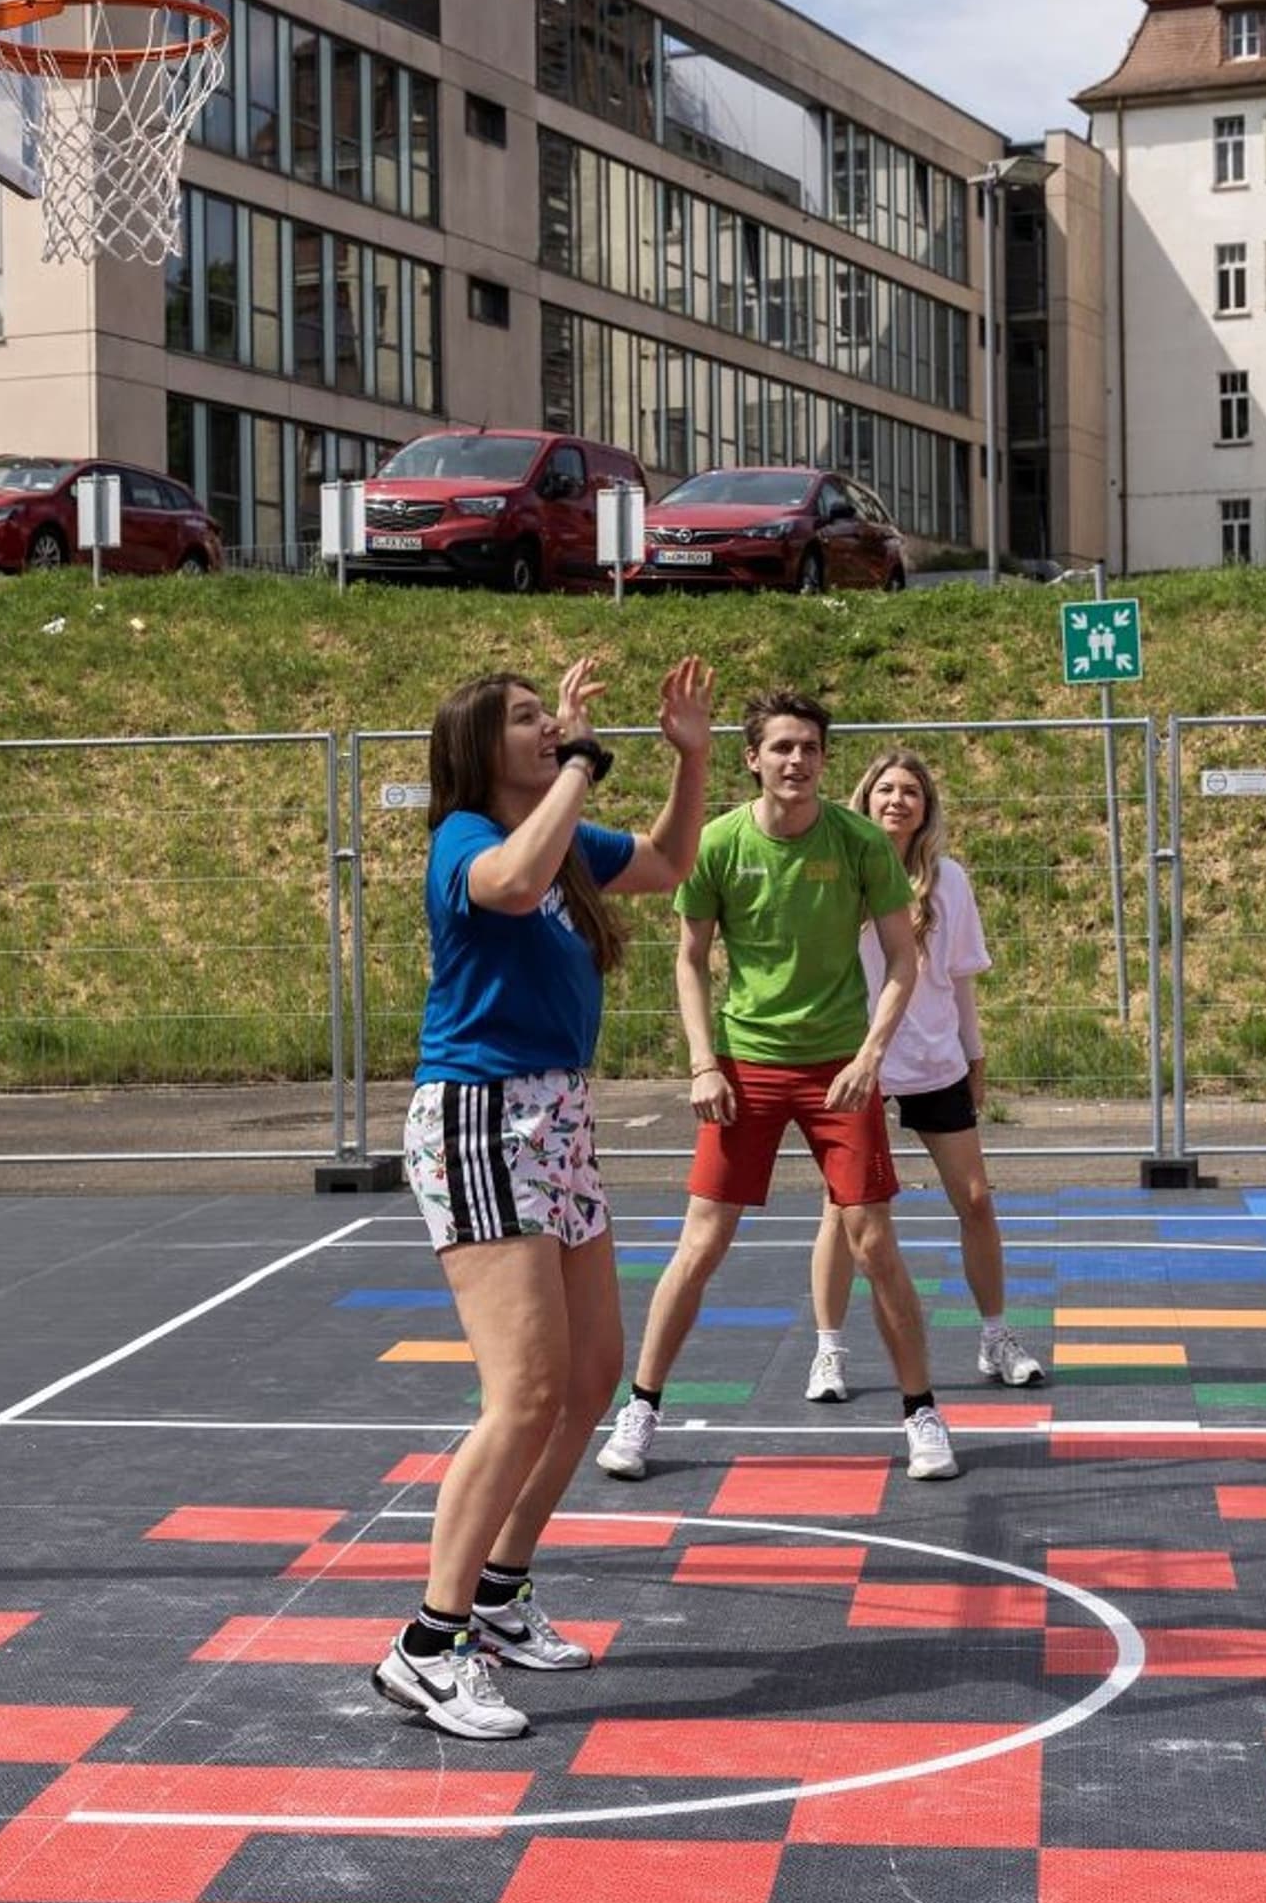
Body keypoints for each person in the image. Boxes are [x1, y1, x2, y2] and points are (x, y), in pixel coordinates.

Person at [377, 654, 716, 1742]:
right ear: (481, 746)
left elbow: (667, 861)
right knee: (522, 1391)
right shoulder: (465, 843)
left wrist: (693, 761)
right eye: (524, 720)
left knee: (587, 1378)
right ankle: (428, 1647)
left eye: (547, 717)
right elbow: (516, 885)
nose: (545, 728)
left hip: (557, 1118)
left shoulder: (564, 838)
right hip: (482, 1115)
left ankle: (500, 1589)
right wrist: (578, 762)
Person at [597, 691, 957, 1484]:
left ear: (826, 761)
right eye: (783, 748)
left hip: (838, 1069)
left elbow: (904, 959)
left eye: (811, 749)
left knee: (873, 1241)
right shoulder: (719, 843)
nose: (798, 761)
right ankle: (641, 1409)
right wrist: (701, 1061)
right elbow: (689, 960)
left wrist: (870, 1056)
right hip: (745, 1066)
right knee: (701, 1243)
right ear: (753, 759)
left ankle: (922, 1413)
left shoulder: (860, 841)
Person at [803, 749, 1046, 1401]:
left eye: (910, 790)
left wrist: (975, 1054)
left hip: (934, 1059)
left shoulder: (949, 880)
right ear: (865, 797)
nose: (897, 800)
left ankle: (996, 1337)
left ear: (925, 807)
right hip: (856, 1061)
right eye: (885, 788)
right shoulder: (836, 871)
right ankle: (828, 1352)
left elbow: (960, 979)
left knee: (975, 1199)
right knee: (842, 1209)